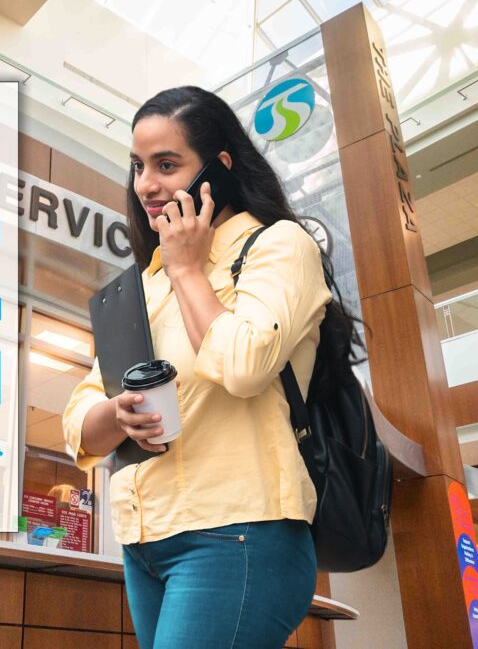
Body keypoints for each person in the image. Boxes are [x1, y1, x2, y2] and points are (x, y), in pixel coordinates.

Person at [61, 86, 362, 648]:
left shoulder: (277, 245)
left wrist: (188, 270)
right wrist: (118, 413)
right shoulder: (144, 281)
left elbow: (245, 365)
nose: (146, 184)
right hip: (145, 542)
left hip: (238, 532)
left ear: (219, 169)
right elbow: (79, 417)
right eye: (138, 166)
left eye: (167, 164)